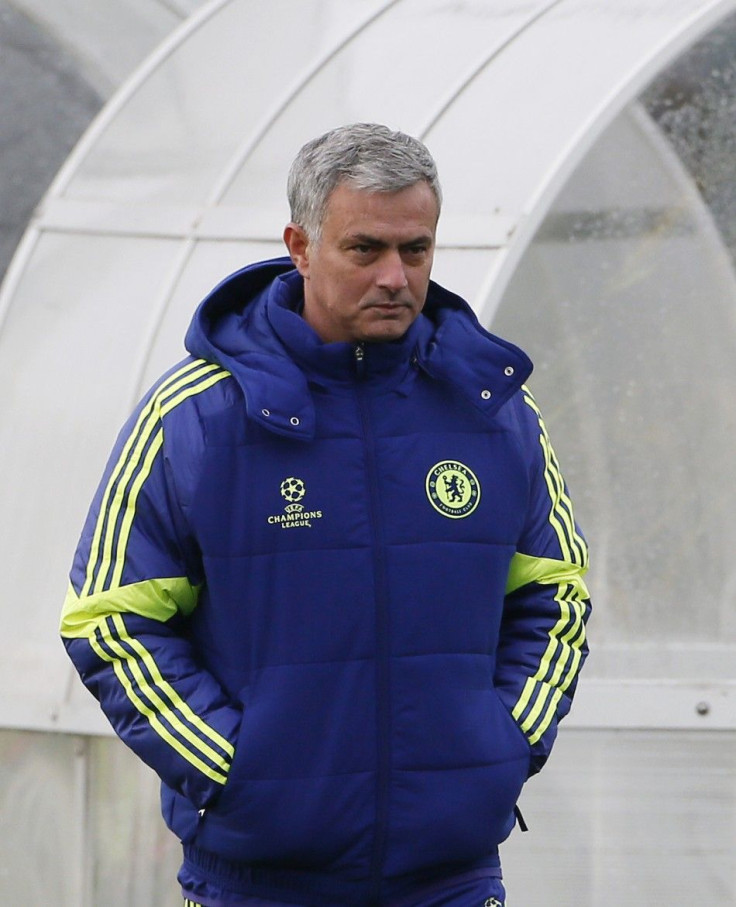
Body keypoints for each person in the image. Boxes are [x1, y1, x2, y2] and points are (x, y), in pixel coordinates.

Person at [60, 123, 591, 907]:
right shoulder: (197, 416)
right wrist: (236, 769)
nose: (395, 276)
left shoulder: (497, 413)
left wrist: (499, 748)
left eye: (416, 250)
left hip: (451, 879)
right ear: (300, 246)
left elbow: (559, 596)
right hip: (259, 881)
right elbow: (109, 619)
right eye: (365, 248)